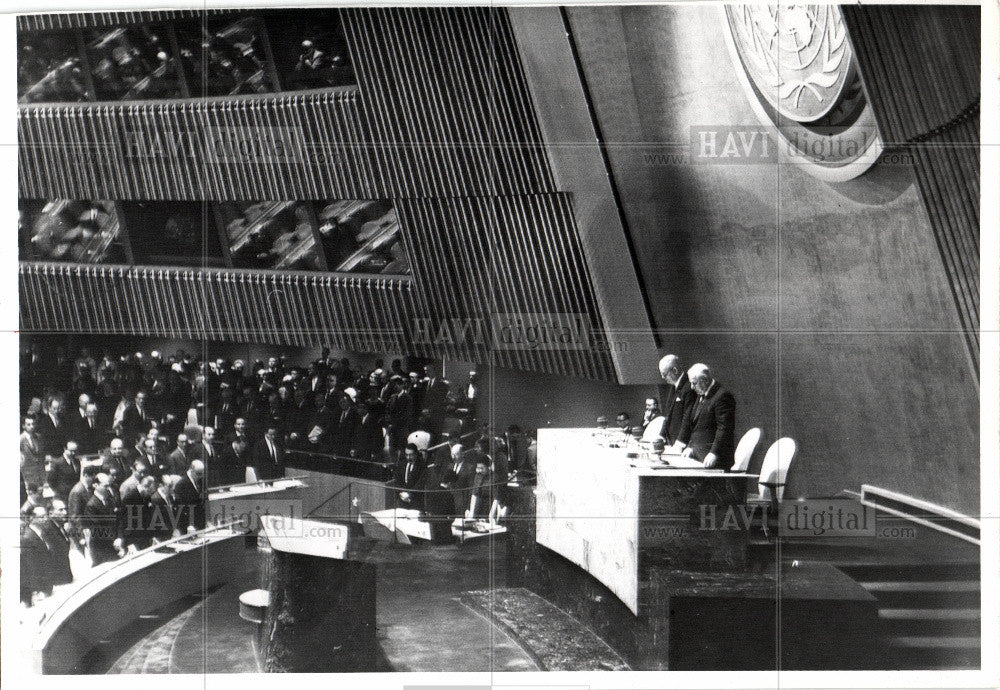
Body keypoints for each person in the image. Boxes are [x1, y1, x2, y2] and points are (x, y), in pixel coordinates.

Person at [676, 363, 736, 470]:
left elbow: (724, 428)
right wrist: (690, 447)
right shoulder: (701, 395)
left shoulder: (722, 396)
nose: (692, 387)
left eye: (694, 383)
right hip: (698, 456)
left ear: (705, 381)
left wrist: (714, 453)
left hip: (713, 460)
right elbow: (696, 426)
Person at [84, 473, 124, 566]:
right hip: (102, 547)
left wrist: (120, 537)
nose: (109, 489)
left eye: (110, 486)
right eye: (105, 486)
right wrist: (115, 542)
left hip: (114, 543)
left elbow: (118, 519)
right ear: (95, 485)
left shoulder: (110, 500)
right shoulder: (91, 506)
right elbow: (99, 529)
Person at [658, 354, 696, 444]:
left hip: (683, 443)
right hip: (672, 441)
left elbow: (687, 417)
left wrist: (680, 443)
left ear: (674, 370)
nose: (663, 378)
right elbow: (668, 414)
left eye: (664, 374)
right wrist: (661, 436)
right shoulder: (673, 386)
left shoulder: (689, 386)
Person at [172, 460, 206, 532]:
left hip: (201, 523)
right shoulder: (181, 485)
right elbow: (180, 508)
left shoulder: (201, 481)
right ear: (191, 470)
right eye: (199, 474)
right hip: (188, 526)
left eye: (202, 473)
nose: (201, 476)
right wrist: (189, 525)